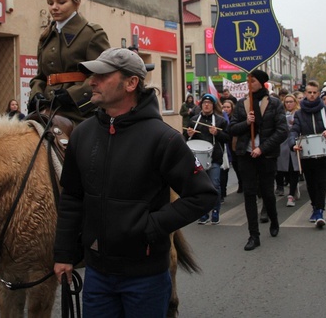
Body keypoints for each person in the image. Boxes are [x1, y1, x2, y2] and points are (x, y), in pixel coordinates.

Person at [53, 48, 216, 316]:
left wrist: (151, 227)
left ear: (131, 83)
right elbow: (71, 197)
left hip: (146, 278)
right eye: (92, 74)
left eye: (102, 75)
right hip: (96, 276)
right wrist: (63, 254)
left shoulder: (164, 139)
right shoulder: (82, 135)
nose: (92, 81)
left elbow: (203, 195)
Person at [29, 0, 110, 124]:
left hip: (79, 112)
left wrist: (72, 95)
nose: (54, 7)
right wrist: (36, 94)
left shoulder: (92, 34)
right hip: (47, 108)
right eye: (50, 3)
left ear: (76, 3)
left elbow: (103, 75)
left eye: (61, 2)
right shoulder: (46, 37)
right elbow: (40, 76)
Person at [229, 69, 288, 251]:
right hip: (246, 155)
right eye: (247, 81)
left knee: (267, 192)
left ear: (261, 83)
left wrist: (262, 148)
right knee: (249, 193)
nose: (249, 84)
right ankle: (253, 235)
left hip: (266, 155)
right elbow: (232, 128)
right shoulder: (242, 104)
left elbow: (282, 130)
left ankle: (274, 219)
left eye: (252, 81)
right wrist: (246, 123)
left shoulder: (274, 103)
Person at [290, 81, 326, 228]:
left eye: (314, 92)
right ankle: (314, 206)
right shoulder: (299, 113)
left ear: (318, 93)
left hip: (323, 153)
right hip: (306, 153)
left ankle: (320, 211)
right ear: (305, 94)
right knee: (311, 183)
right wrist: (293, 143)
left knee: (321, 182)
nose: (312, 95)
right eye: (309, 92)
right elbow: (294, 130)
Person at [188, 94, 230, 225]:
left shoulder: (220, 121)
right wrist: (188, 134)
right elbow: (186, 139)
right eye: (204, 103)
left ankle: (215, 210)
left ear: (213, 105)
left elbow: (227, 138)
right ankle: (204, 213)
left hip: (214, 158)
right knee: (200, 187)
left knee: (215, 185)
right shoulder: (194, 120)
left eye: (209, 103)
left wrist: (217, 133)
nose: (206, 105)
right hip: (197, 158)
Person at [277, 94, 301, 207]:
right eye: (286, 102)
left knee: (294, 168)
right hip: (284, 144)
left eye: (291, 101)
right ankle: (293, 186)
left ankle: (291, 195)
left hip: (296, 143)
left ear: (295, 102)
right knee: (284, 169)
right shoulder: (282, 115)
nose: (289, 104)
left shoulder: (299, 114)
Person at [220, 100, 236, 200]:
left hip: (232, 146)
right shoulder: (221, 115)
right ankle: (222, 192)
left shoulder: (232, 117)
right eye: (224, 107)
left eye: (228, 107)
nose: (226, 109)